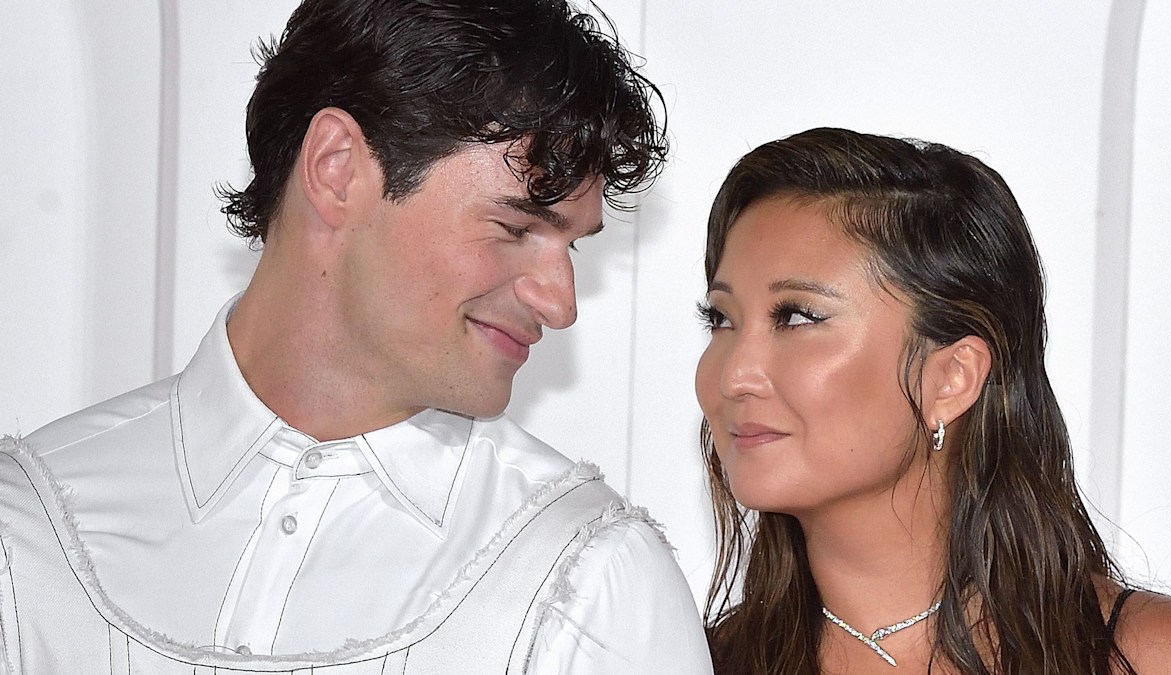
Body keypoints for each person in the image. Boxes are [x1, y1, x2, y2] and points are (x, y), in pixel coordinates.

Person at [0, 1, 713, 673]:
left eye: (571, 246)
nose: (560, 305)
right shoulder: (25, 525)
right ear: (336, 169)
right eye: (515, 227)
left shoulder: (591, 579)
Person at [693, 128, 1171, 674]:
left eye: (796, 317)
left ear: (953, 378)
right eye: (721, 319)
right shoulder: (691, 661)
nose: (734, 375)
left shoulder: (1159, 658)